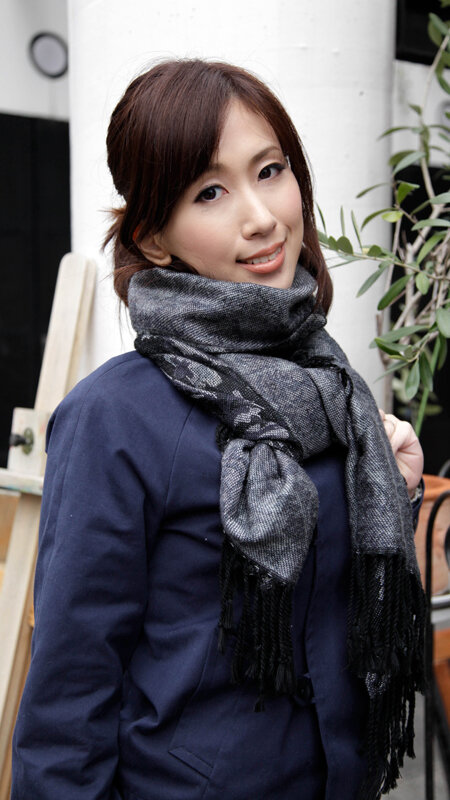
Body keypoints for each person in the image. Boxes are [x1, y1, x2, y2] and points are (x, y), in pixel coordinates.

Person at [11, 59, 426, 800]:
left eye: (270, 171)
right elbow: (70, 693)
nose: (261, 216)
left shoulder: (329, 387)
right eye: (210, 192)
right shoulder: (115, 417)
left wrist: (394, 490)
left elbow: (339, 615)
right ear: (154, 238)